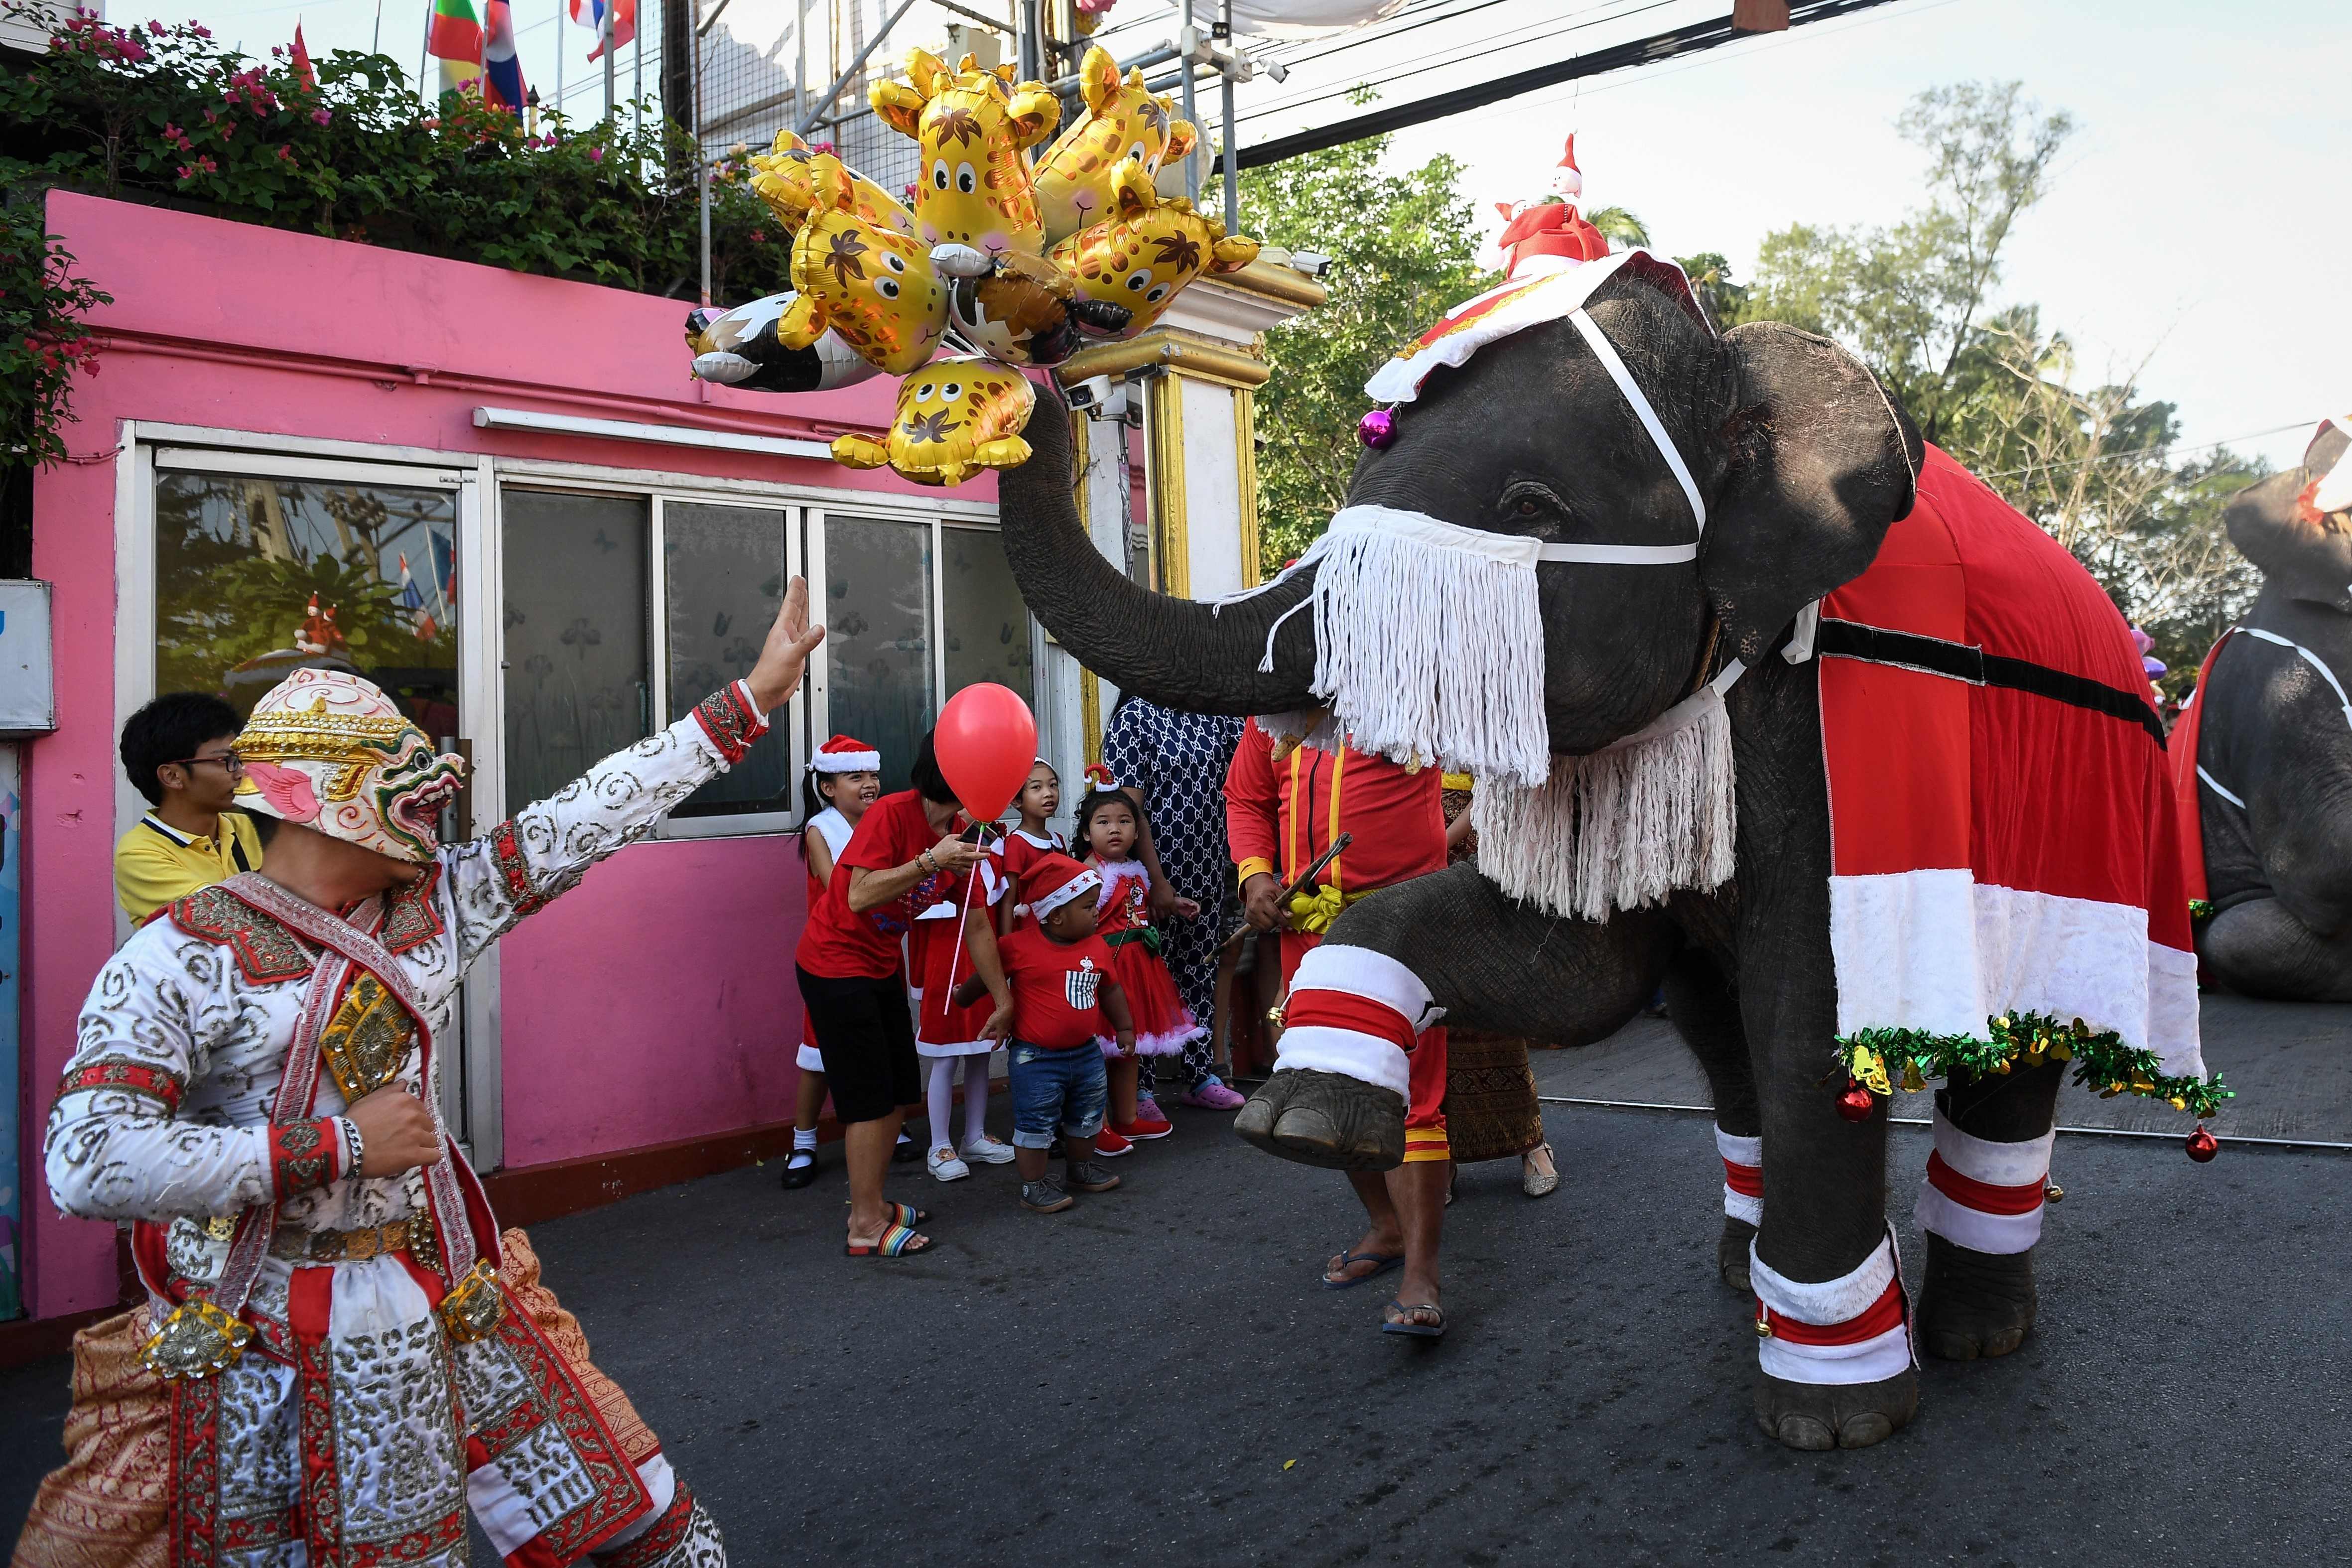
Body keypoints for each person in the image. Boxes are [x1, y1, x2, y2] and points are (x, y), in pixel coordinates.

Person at [21, 582, 824, 1568]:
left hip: (441, 1278)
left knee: (650, 1535)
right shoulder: (180, 953)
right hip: (268, 1320)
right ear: (323, 794)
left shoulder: (435, 904)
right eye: (404, 776)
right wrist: (338, 1143)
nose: (437, 786)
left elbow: (581, 820)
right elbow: (88, 1158)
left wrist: (749, 700)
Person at [1226, 719, 1452, 1334]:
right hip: (1310, 935)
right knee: (1332, 1086)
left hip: (1402, 928)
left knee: (1412, 1100)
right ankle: (1386, 1226)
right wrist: (1256, 874)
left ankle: (1422, 1276)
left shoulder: (1405, 689)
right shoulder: (1270, 713)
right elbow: (1246, 796)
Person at [796, 730, 1013, 1256]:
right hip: (833, 966)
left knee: (898, 1090)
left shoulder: (963, 830)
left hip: (877, 967)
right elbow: (858, 892)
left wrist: (1002, 997)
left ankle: (870, 1202)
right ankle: (864, 1226)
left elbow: (978, 923)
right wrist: (930, 862)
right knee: (870, 1100)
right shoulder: (893, 813)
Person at [954, 854, 1132, 1213]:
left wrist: (1125, 1027)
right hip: (1036, 1058)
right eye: (1087, 906)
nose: (1097, 912)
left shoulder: (1098, 947)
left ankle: (1079, 1169)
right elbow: (988, 975)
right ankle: (1033, 1185)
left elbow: (1111, 990)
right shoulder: (1017, 947)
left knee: (1087, 1116)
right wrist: (963, 995)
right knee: (1035, 1123)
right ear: (1056, 915)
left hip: (1086, 1053)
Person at [1099, 694, 1249, 1110]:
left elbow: (1247, 776)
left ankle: (1200, 1077)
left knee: (1199, 972)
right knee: (1145, 980)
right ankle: (1140, 1087)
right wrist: (1158, 883)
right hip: (1148, 878)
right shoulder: (1135, 717)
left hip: (1206, 871)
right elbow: (1127, 811)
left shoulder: (1214, 713)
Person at [1436, 773, 1558, 1201]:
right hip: (1422, 863)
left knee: (1493, 1009)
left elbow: (1500, 778)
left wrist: (1442, 839)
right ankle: (1441, 1152)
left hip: (1481, 859)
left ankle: (1531, 1142)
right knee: (1436, 1017)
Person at [1074, 767, 1199, 1150]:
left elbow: (1138, 909)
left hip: (1139, 969)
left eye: (1125, 821)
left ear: (1137, 831)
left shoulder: (1137, 869)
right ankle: (1098, 1126)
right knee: (1098, 1050)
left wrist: (1173, 904)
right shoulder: (1089, 872)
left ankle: (1128, 1117)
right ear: (1085, 833)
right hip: (1105, 971)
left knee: (1128, 1048)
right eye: (1104, 822)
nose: (1115, 829)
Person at [782, 734, 884, 1189]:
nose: (869, 784)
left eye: (873, 775)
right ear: (827, 788)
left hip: (878, 950)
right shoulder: (820, 830)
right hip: (833, 958)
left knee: (878, 1044)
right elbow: (845, 892)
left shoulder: (881, 823)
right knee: (819, 1053)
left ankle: (887, 1124)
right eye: (855, 776)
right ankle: (803, 1141)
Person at [913, 821, 1017, 1183]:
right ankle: (939, 1145)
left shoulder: (995, 837)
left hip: (982, 951)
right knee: (945, 1054)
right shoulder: (937, 838)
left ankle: (974, 1135)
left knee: (980, 1049)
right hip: (945, 952)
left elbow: (994, 897)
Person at [113, 691, 267, 924]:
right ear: (173, 776)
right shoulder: (141, 854)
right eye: (224, 761)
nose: (240, 772)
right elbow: (230, 924)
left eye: (241, 759)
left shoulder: (253, 827)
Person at [993, 759, 1066, 934]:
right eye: (1036, 788)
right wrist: (1007, 943)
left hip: (1060, 931)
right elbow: (1009, 900)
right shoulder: (1017, 843)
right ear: (1017, 800)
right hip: (1030, 933)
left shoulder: (1058, 840)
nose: (1049, 794)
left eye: (1053, 785)